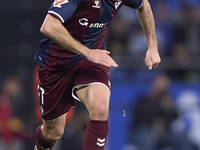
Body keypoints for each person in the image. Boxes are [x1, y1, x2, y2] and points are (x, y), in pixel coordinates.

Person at [34, 0, 161, 149]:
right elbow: (49, 26)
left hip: (93, 60)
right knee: (53, 132)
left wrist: (152, 47)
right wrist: (87, 52)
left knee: (100, 107)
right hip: (57, 65)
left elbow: (143, 5)